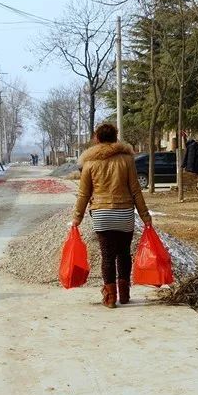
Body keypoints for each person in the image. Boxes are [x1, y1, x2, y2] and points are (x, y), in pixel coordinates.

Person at [72, 123, 152, 308]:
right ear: (116, 138)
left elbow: (84, 194)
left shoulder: (89, 163)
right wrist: (145, 216)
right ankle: (124, 294)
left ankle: (110, 298)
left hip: (101, 214)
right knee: (124, 254)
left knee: (107, 256)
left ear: (96, 139)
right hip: (124, 213)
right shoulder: (127, 160)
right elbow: (136, 191)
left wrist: (77, 217)